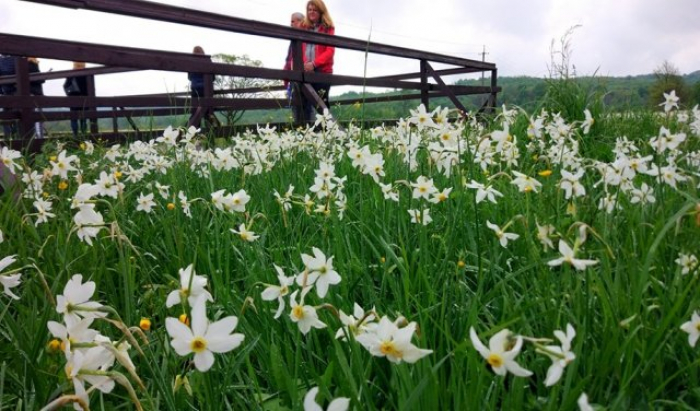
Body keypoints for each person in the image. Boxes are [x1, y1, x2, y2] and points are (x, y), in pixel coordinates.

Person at [302, 0, 335, 121]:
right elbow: (301, 48)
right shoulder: (304, 27)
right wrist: (306, 64)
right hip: (306, 70)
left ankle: (327, 132)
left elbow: (330, 51)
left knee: (322, 103)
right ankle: (306, 132)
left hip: (322, 71)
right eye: (309, 9)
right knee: (304, 102)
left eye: (314, 10)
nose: (311, 12)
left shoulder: (328, 28)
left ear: (321, 12)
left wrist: (314, 64)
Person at [283, 12, 305, 125]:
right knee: (295, 109)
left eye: (293, 21)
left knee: (307, 109)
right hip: (292, 79)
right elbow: (288, 60)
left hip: (304, 79)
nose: (291, 24)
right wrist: (286, 79)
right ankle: (299, 135)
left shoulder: (306, 37)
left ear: (301, 22)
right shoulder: (293, 40)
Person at [188, 46, 215, 128]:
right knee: (208, 113)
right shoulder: (208, 60)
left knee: (195, 112)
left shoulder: (190, 62)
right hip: (207, 90)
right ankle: (212, 135)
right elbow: (213, 77)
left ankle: (193, 134)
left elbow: (189, 77)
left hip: (195, 89)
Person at [63, 61, 89, 137]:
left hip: (73, 99)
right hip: (84, 99)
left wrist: (69, 95)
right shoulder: (87, 73)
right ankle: (84, 136)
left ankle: (75, 136)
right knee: (83, 119)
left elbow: (65, 86)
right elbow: (89, 88)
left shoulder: (71, 74)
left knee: (74, 119)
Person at [28, 57, 46, 138]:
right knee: (38, 117)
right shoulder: (32, 65)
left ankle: (35, 136)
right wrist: (42, 78)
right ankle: (39, 137)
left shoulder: (29, 64)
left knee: (33, 117)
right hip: (36, 93)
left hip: (32, 93)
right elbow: (37, 79)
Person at [0, 54, 17, 137]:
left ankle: (13, 138)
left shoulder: (14, 58)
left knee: (16, 116)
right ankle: (10, 138)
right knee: (7, 117)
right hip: (6, 92)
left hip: (13, 92)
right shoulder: (14, 58)